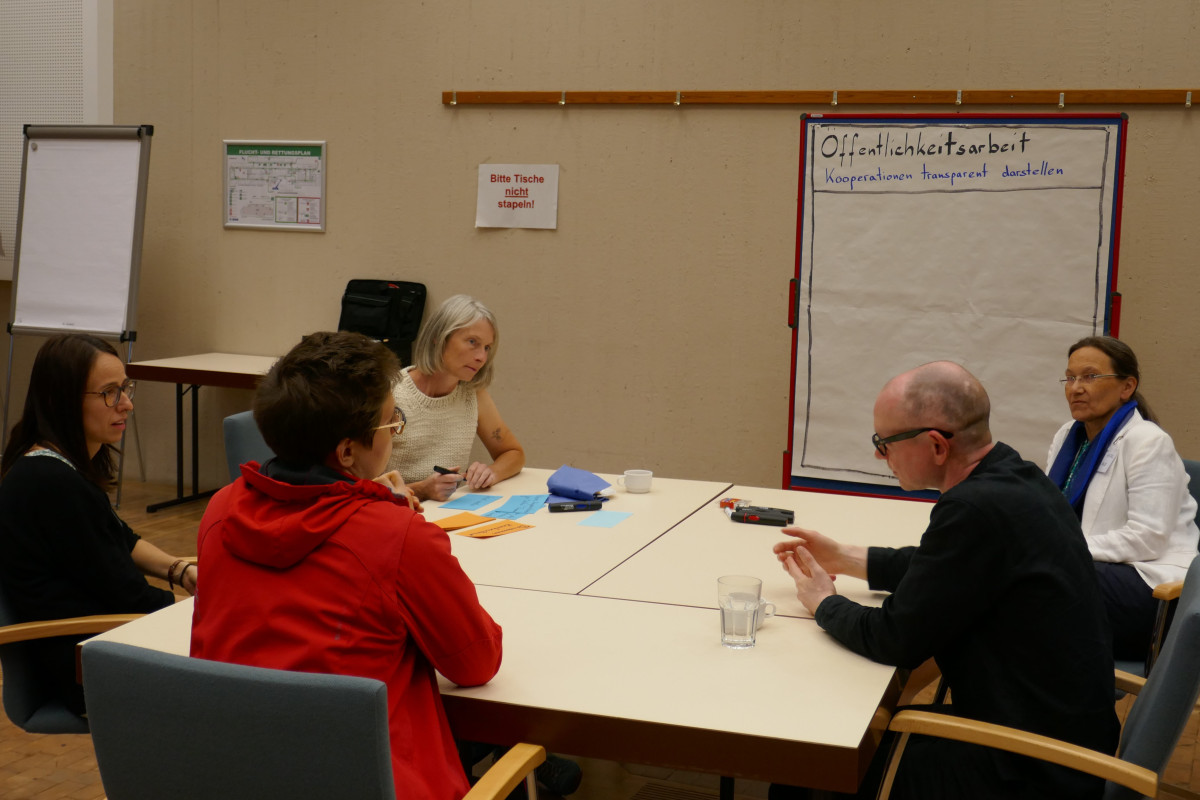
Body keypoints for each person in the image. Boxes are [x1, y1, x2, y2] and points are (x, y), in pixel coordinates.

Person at [772, 362, 1118, 800]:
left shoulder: (974, 509)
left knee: (808, 772)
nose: (880, 456)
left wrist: (824, 602)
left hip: (1028, 769)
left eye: (885, 443)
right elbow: (946, 568)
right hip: (1056, 737)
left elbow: (894, 638)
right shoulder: (1014, 476)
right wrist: (848, 557)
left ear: (937, 446)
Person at [190, 331, 502, 800]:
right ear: (347, 452)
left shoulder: (221, 510)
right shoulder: (395, 536)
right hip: (374, 779)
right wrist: (392, 517)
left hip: (243, 774)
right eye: (391, 423)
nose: (396, 432)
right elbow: (477, 662)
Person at [0, 334, 195, 716]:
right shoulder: (53, 486)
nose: (126, 404)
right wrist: (200, 614)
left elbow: (119, 537)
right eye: (109, 393)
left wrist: (180, 570)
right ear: (62, 401)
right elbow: (129, 597)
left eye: (124, 388)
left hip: (96, 647)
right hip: (87, 668)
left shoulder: (51, 464)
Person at [1046, 335, 1199, 661]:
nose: (1076, 388)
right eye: (1070, 378)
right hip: (1092, 572)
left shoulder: (1148, 442)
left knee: (1038, 582)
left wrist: (1065, 551)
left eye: (1090, 376)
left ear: (1126, 387)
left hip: (1152, 586)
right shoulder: (1065, 437)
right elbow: (1048, 514)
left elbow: (1148, 538)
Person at [388, 294, 524, 502]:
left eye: (487, 347)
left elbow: (513, 453)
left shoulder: (473, 394)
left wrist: (491, 472)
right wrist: (422, 489)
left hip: (448, 517)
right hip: (393, 516)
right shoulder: (391, 392)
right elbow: (359, 485)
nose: (482, 357)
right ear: (439, 338)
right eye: (472, 342)